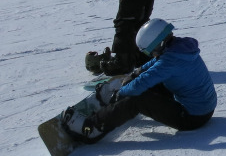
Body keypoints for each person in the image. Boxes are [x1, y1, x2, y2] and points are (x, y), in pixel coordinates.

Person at [70, 19, 216, 144]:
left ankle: (93, 128)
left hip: (192, 118)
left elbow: (143, 82)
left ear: (159, 44)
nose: (150, 54)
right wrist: (136, 73)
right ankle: (117, 106)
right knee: (149, 82)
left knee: (137, 99)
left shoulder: (169, 63)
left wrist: (120, 93)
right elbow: (155, 63)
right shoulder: (181, 48)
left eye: (150, 50)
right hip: (203, 108)